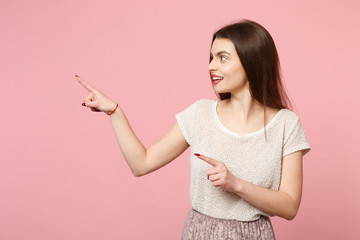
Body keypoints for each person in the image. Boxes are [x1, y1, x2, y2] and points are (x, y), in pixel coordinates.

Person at [76, 19, 311, 240]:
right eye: (211, 57)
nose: (211, 66)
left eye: (222, 58)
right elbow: (141, 164)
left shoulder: (286, 125)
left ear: (251, 61)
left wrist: (236, 184)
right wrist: (115, 112)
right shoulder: (200, 114)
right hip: (199, 233)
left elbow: (289, 206)